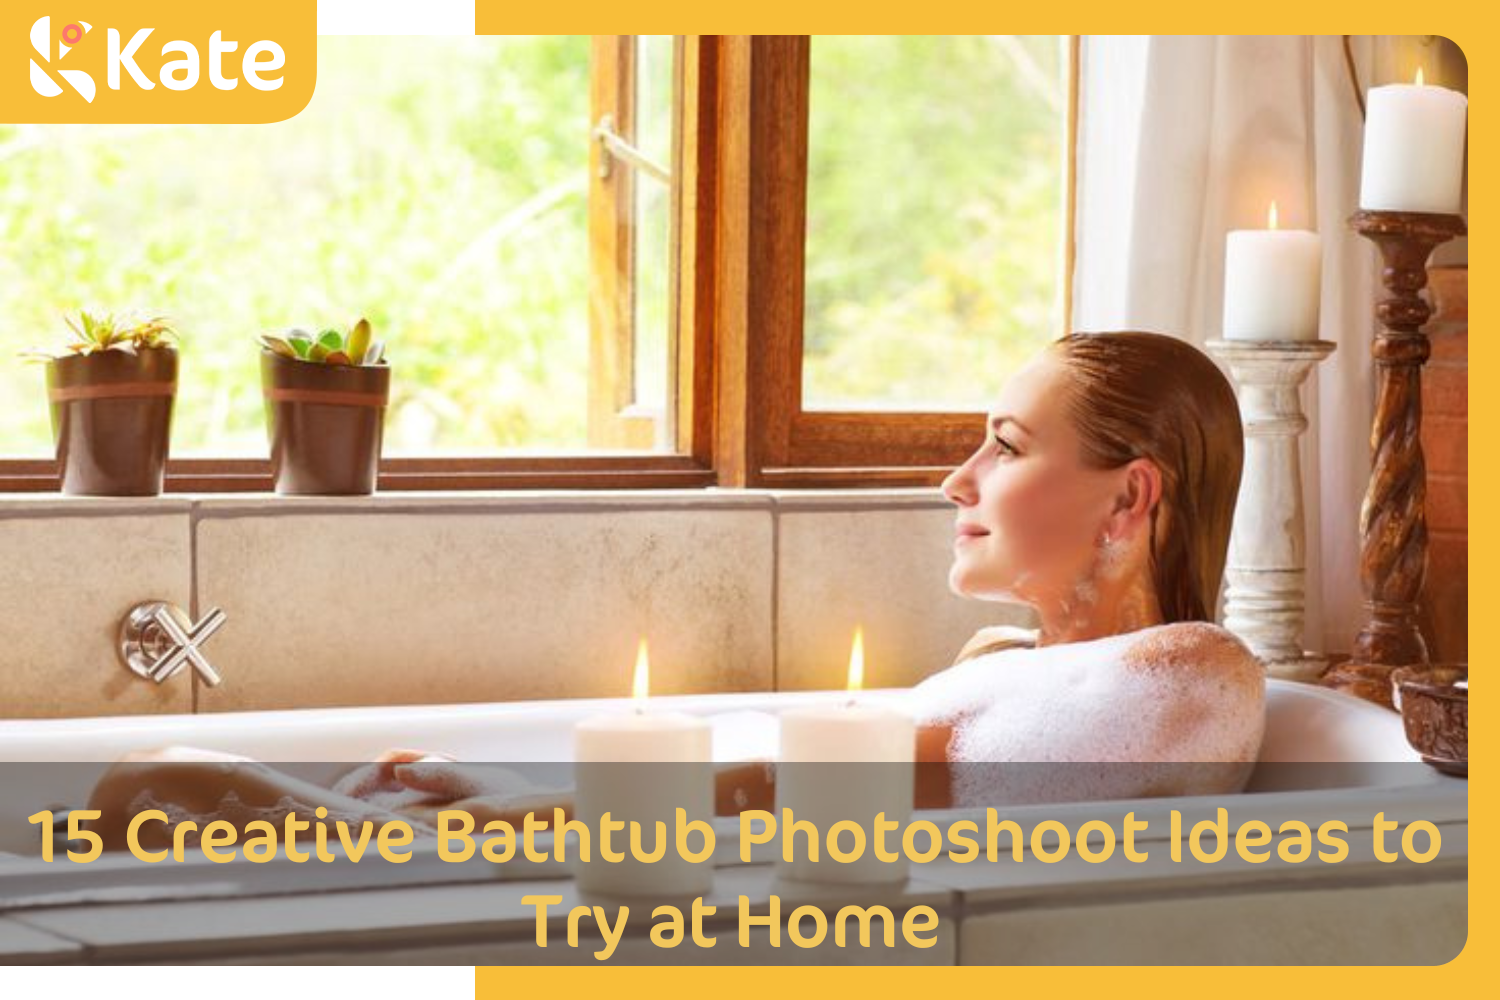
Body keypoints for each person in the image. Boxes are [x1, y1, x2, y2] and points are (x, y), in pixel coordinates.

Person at [87, 331, 1265, 849]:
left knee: (156, 780)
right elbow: (825, 794)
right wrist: (509, 790)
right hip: (655, 869)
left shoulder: (1190, 675)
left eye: (1007, 445)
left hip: (681, 888)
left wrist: (501, 821)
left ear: (1127, 499)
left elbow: (832, 801)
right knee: (148, 788)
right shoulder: (1010, 667)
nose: (958, 474)